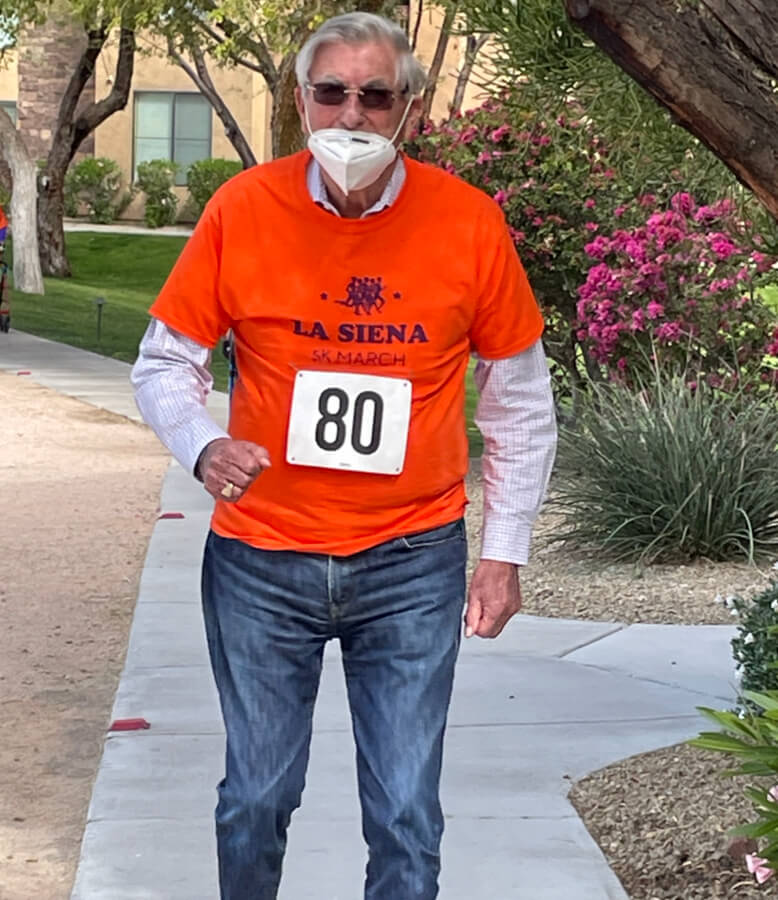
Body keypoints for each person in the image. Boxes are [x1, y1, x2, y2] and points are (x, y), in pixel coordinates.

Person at [131, 11, 556, 900]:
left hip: (411, 559)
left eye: (375, 95)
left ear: (411, 109)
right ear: (301, 100)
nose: (351, 116)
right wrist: (205, 446)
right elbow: (165, 361)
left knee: (405, 811)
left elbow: (518, 401)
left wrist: (504, 553)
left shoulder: (469, 224)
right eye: (332, 93)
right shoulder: (243, 210)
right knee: (254, 797)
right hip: (261, 560)